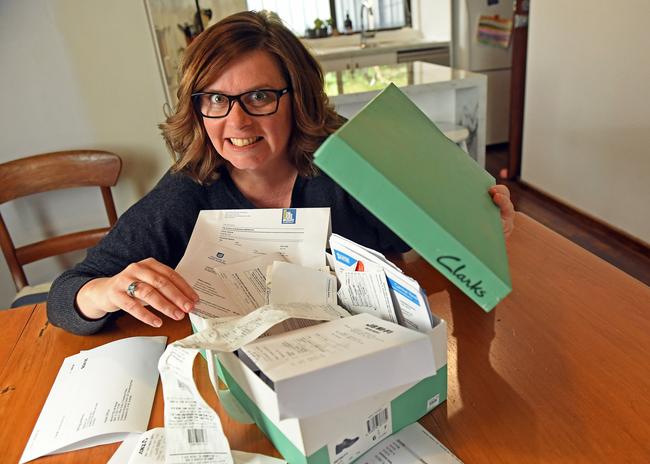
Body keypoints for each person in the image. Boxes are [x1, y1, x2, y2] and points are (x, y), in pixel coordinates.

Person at [46, 11, 515, 335]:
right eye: (215, 100)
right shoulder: (187, 193)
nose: (236, 123)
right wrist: (107, 291)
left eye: (259, 97)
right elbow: (66, 296)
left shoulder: (352, 169)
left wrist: (480, 223)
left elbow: (441, 246)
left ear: (299, 98)